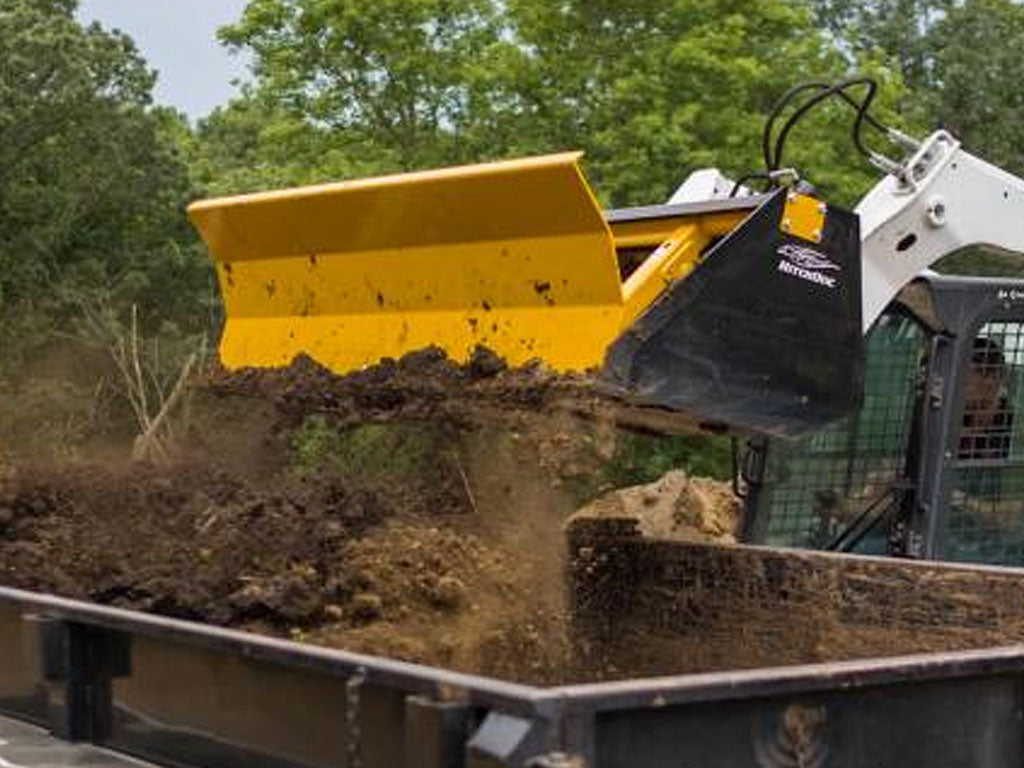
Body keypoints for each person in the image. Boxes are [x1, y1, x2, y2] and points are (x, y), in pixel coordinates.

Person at [958, 336, 1014, 461]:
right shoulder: (951, 412)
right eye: (979, 372)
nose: (990, 382)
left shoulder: (1010, 422)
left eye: (995, 374)